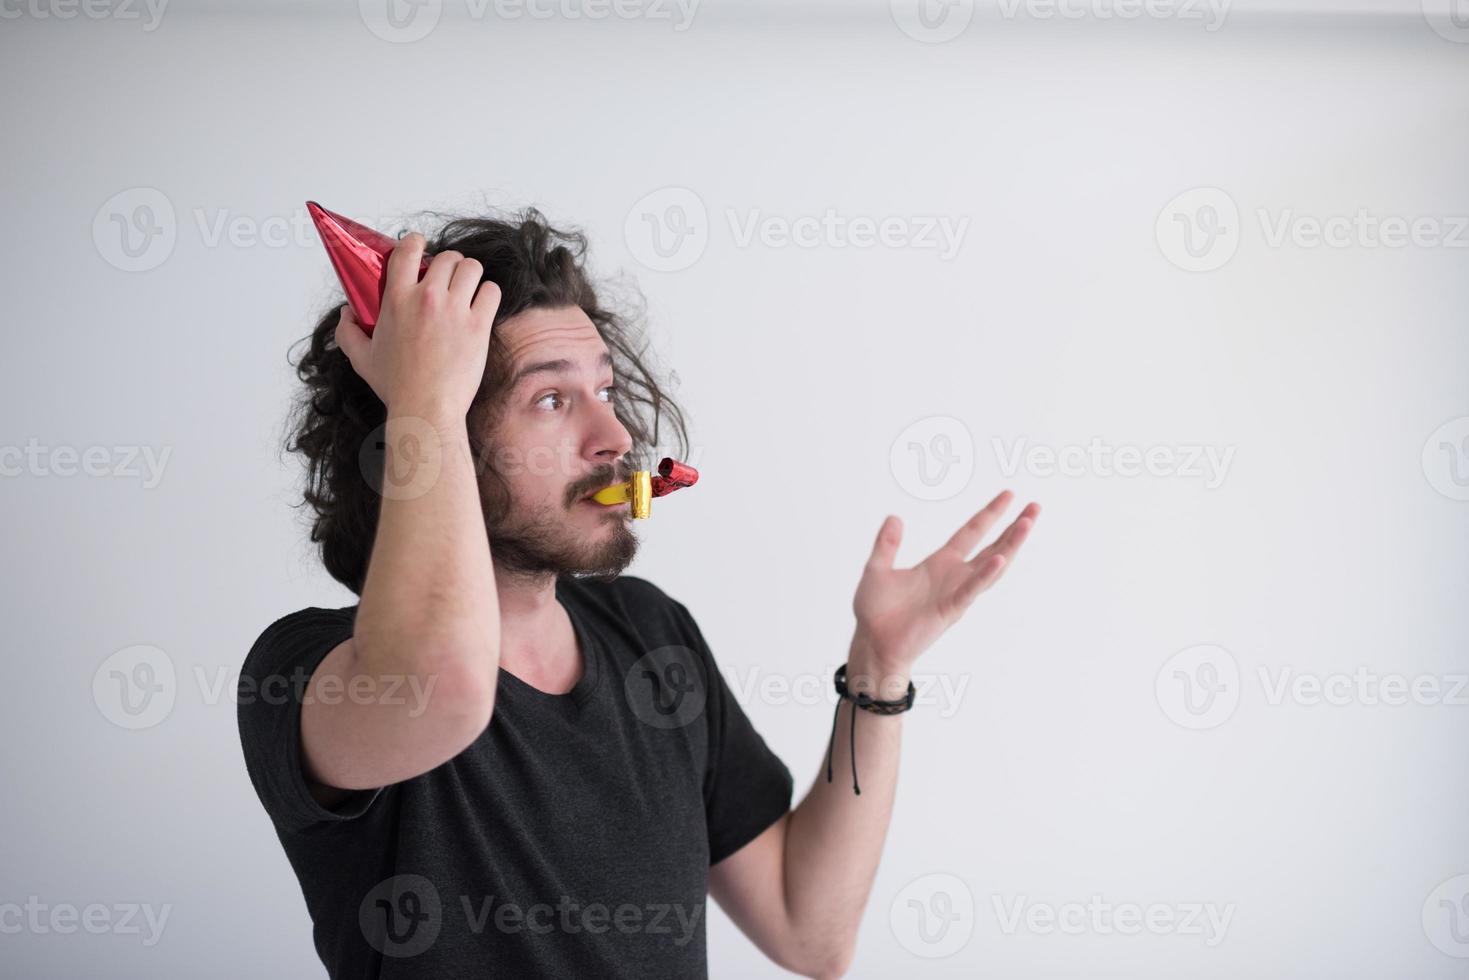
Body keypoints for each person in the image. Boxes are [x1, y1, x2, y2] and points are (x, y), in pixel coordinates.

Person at [237, 208, 1039, 978]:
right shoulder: (307, 670)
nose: (617, 440)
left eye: (606, 391)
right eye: (551, 399)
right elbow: (445, 687)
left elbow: (810, 931)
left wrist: (877, 667)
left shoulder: (650, 633)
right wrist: (423, 395)